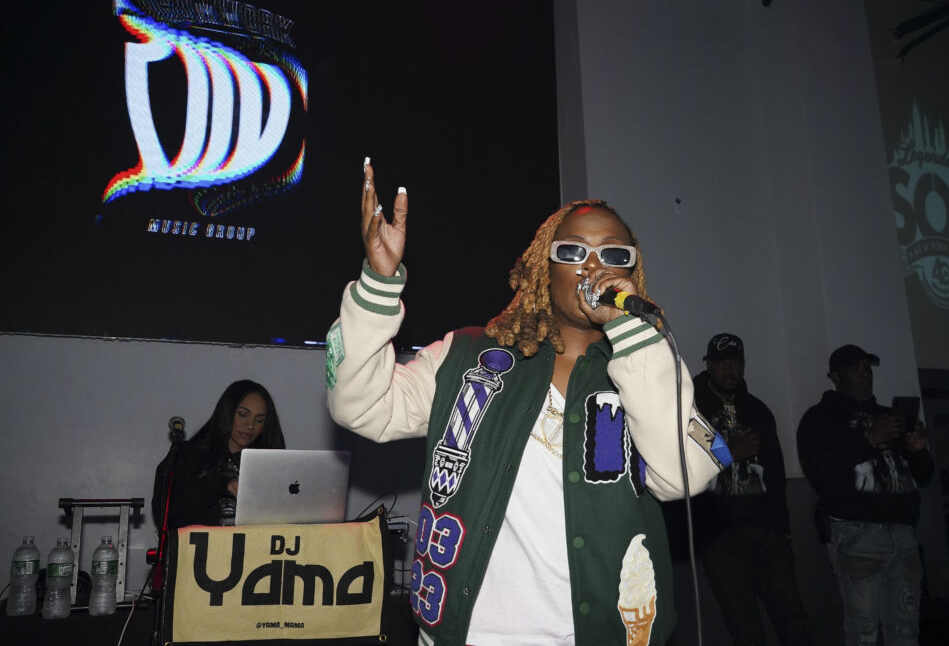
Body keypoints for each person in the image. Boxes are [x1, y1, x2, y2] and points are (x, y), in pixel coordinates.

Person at [325, 160, 730, 646]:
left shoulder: (648, 364)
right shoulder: (465, 356)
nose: (593, 266)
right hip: (466, 634)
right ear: (543, 266)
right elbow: (360, 406)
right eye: (573, 250)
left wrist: (634, 335)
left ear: (631, 271)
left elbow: (688, 475)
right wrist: (378, 282)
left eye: (613, 253)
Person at [797, 345, 934, 646]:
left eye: (867, 367)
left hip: (903, 533)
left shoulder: (890, 416)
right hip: (857, 533)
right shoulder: (819, 418)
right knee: (864, 633)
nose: (865, 373)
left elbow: (922, 476)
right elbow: (821, 474)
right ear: (835, 376)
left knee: (906, 631)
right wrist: (869, 438)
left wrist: (918, 450)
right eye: (856, 367)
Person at [691, 332, 812, 646]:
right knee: (745, 627)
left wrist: (782, 526)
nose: (729, 369)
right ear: (708, 365)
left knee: (793, 618)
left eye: (735, 362)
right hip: (720, 535)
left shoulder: (757, 410)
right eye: (721, 362)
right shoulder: (692, 408)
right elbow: (686, 461)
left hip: (766, 531)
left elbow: (776, 470)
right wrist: (730, 451)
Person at [152, 379, 285, 529]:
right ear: (227, 412)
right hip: (199, 543)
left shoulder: (268, 465)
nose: (250, 425)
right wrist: (221, 485)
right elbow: (168, 514)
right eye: (242, 414)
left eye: (259, 420)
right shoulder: (188, 456)